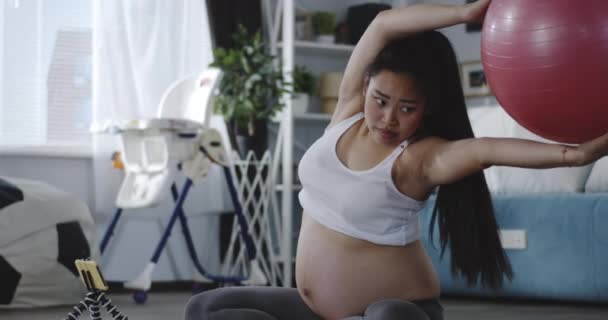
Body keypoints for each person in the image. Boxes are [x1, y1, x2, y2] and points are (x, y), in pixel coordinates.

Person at [185, 0, 608, 319]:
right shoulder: (347, 112)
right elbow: (383, 25)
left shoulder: (420, 159)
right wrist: (465, 13)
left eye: (407, 108)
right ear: (365, 85)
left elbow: (487, 150)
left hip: (399, 311)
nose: (388, 118)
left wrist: (576, 155)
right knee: (206, 309)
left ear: (426, 110)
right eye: (381, 101)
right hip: (318, 309)